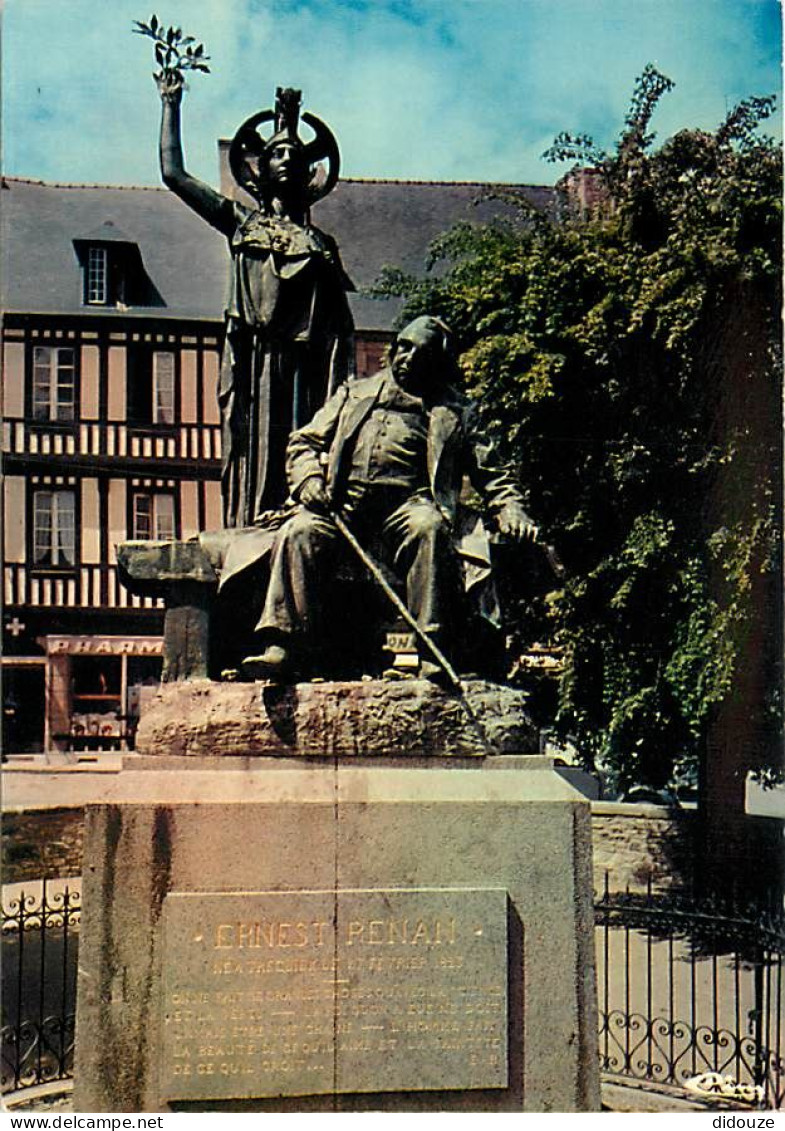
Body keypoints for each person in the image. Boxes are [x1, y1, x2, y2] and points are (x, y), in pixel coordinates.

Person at [246, 315, 538, 680]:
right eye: (404, 346)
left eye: (421, 353)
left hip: (406, 509)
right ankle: (283, 644)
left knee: (429, 527)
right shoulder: (353, 394)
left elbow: (494, 474)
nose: (408, 357)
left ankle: (431, 647)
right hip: (343, 507)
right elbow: (304, 441)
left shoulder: (456, 411)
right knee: (299, 530)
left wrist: (512, 509)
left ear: (437, 362)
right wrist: (308, 478)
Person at [157, 79, 355, 527]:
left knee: (303, 443)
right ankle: (254, 521)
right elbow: (174, 174)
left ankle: (301, 519)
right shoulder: (240, 222)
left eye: (296, 155)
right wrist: (171, 104)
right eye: (278, 154)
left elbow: (341, 327)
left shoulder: (322, 245)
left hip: (308, 367)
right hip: (258, 360)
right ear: (260, 171)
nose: (287, 159)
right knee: (257, 444)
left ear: (309, 175)